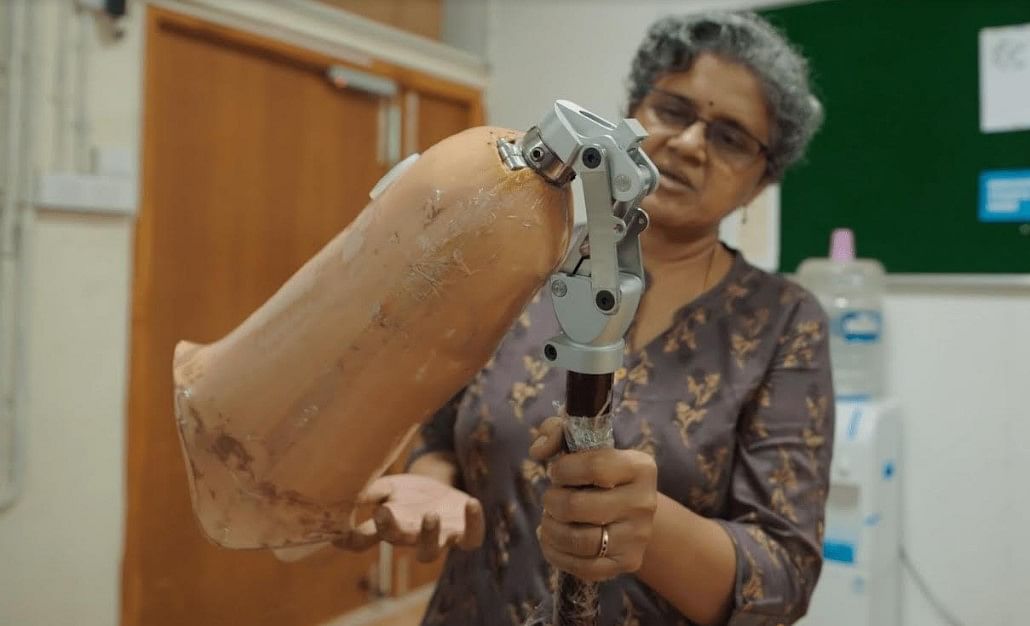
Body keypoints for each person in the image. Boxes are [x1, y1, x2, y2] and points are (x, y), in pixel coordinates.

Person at [335, 11, 833, 626]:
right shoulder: (520, 257)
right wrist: (431, 483)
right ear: (633, 112)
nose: (689, 144)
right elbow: (443, 434)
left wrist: (647, 527)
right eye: (674, 111)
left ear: (763, 180)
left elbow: (784, 577)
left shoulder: (784, 322)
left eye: (731, 137)